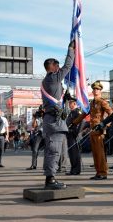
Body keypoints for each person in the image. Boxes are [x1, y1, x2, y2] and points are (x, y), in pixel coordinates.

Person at [40, 40, 75, 189]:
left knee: (51, 150)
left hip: (50, 119)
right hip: (55, 121)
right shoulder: (54, 77)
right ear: (53, 67)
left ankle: (50, 177)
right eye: (57, 65)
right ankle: (50, 180)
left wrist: (64, 97)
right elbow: (68, 65)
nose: (60, 68)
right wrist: (71, 49)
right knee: (54, 151)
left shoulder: (45, 81)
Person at [73, 81, 113, 180]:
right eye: (94, 89)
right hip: (92, 130)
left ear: (100, 91)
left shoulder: (102, 102)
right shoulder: (92, 103)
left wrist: (105, 124)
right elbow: (84, 114)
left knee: (100, 152)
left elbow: (111, 113)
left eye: (98, 89)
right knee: (95, 153)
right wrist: (74, 123)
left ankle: (103, 173)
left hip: (99, 130)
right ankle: (98, 172)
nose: (96, 90)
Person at [65, 97, 84, 175]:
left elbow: (82, 121)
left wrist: (77, 133)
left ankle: (76, 170)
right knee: (71, 153)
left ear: (74, 103)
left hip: (74, 135)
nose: (69, 105)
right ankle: (73, 169)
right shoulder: (71, 112)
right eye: (69, 103)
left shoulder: (77, 112)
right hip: (70, 134)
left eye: (70, 103)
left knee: (74, 153)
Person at [27, 105, 44, 170]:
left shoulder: (48, 116)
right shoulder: (38, 117)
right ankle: (33, 165)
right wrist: (34, 118)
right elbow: (34, 126)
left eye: (43, 110)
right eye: (41, 110)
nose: (42, 111)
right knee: (35, 149)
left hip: (47, 134)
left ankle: (46, 166)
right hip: (39, 134)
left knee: (48, 150)